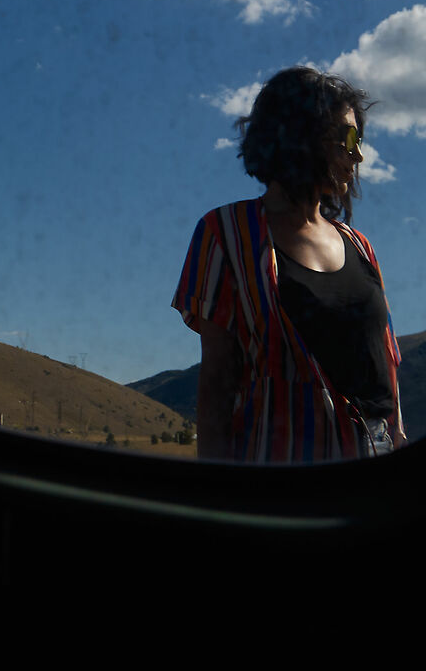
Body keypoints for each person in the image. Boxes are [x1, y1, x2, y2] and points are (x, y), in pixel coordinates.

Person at [172, 66, 404, 462]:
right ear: (301, 136)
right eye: (348, 138)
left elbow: (383, 359)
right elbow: (216, 381)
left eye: (359, 139)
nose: (359, 155)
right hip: (280, 462)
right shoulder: (226, 233)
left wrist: (398, 435)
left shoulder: (359, 245)